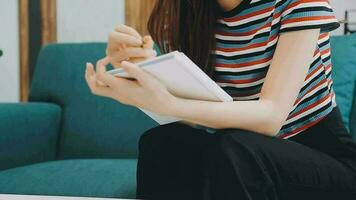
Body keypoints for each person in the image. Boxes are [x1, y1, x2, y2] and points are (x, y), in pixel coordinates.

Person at [84, 0, 356, 199]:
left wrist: (168, 102)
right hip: (234, 153)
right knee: (162, 143)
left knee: (235, 149)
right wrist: (138, 69)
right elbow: (196, 111)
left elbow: (271, 117)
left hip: (323, 158)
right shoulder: (184, 13)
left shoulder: (297, 3)